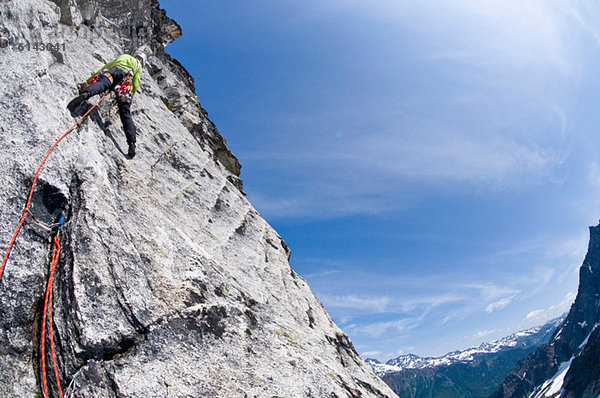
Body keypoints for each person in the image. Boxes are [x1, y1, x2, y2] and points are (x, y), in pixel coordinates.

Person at [67, 52, 146, 158]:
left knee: (102, 84)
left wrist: (88, 81)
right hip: (125, 80)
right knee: (125, 112)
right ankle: (131, 143)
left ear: (135, 56)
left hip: (112, 72)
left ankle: (86, 93)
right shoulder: (138, 65)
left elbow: (106, 66)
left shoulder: (124, 56)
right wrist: (128, 101)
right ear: (141, 60)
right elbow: (135, 83)